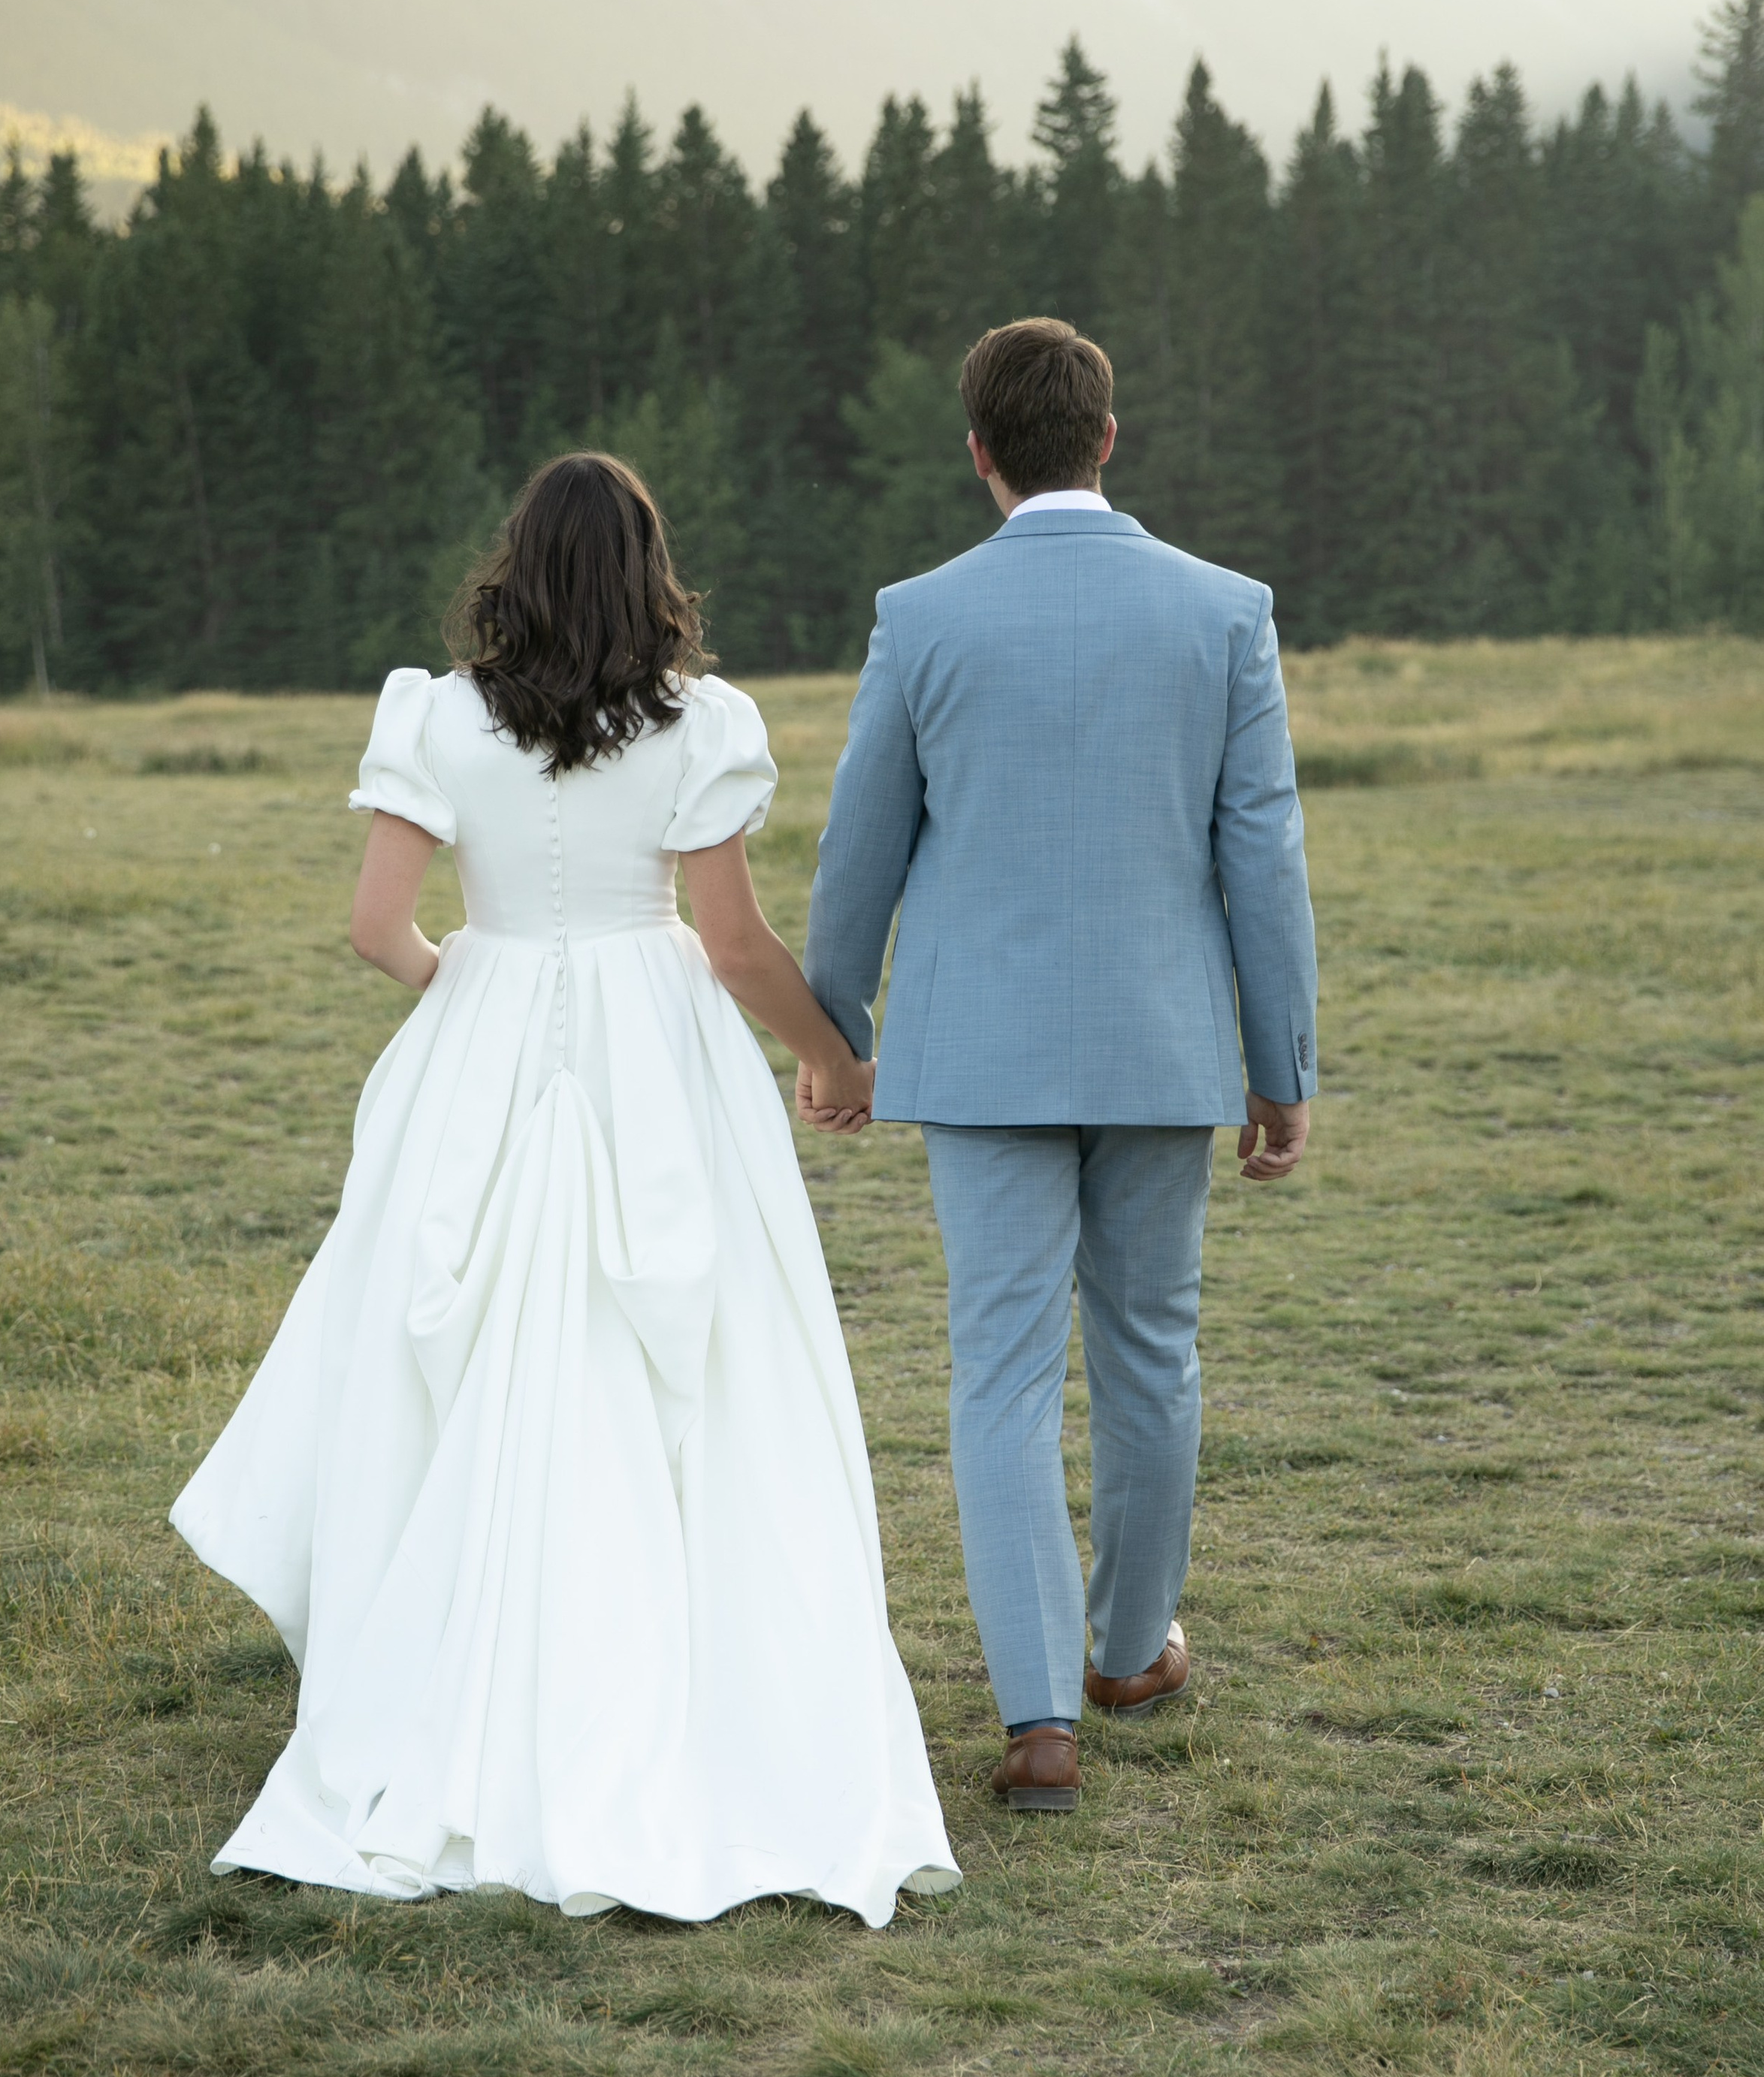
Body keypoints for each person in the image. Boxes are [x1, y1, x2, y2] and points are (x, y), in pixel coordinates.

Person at [171, 452, 958, 1925]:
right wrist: (836, 1059)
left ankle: (443, 1667)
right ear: (650, 573)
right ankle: (661, 1668)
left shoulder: (439, 717)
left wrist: (466, 983)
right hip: (653, 1050)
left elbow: (374, 926)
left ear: (513, 568)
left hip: (481, 1043)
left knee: (457, 1354)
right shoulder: (699, 724)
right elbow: (727, 947)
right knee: (683, 1358)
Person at [801, 318, 1316, 1815]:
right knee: (1151, 1352)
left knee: (1001, 1374)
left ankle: (1038, 1722)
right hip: (1164, 1048)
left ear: (978, 455)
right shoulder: (1223, 614)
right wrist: (1278, 1065)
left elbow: (860, 850)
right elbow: (1260, 858)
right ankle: (1123, 1651)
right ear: (1105, 435)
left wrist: (836, 1042)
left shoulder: (920, 615)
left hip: (974, 1057)